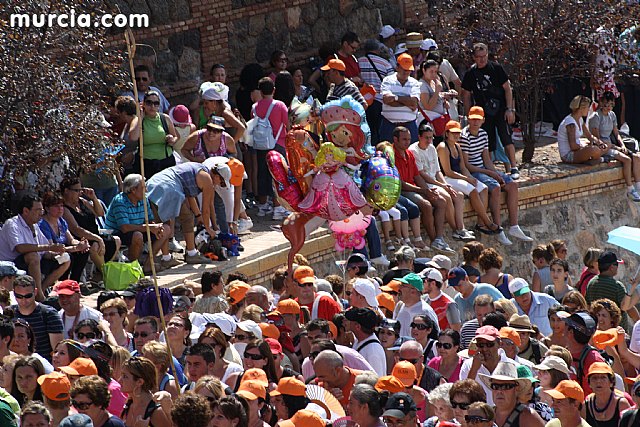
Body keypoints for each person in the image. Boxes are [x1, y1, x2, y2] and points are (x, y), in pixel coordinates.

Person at [460, 106, 532, 245]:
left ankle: (514, 226)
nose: (475, 122)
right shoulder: (464, 137)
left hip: (484, 169)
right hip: (474, 171)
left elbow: (486, 159)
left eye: (478, 119)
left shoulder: (483, 134)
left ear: (483, 120)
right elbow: (467, 165)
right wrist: (491, 174)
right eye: (473, 119)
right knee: (496, 187)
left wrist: (495, 173)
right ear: (468, 119)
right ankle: (498, 229)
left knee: (511, 184)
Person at [145, 161, 225, 265]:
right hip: (169, 187)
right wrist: (208, 228)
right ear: (217, 176)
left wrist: (198, 216)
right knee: (184, 219)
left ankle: (166, 258)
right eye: (222, 182)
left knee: (165, 224)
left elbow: (189, 196)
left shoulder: (196, 169)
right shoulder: (207, 179)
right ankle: (191, 254)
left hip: (154, 184)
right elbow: (206, 209)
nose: (220, 185)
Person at [461, 43, 519, 179]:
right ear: (474, 57)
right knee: (488, 141)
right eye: (478, 57)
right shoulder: (471, 73)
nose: (482, 59)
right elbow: (466, 95)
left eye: (484, 56)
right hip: (483, 112)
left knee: (506, 137)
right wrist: (469, 115)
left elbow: (507, 88)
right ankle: (490, 169)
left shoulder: (496, 68)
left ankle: (514, 167)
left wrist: (510, 109)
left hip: (500, 109)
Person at [410, 122, 475, 241]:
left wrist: (445, 184)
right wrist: (442, 185)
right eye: (426, 138)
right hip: (426, 183)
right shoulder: (414, 150)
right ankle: (456, 230)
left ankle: (461, 228)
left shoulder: (432, 148)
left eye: (431, 138)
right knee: (447, 197)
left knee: (459, 195)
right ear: (419, 137)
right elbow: (422, 174)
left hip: (435, 181)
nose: (429, 141)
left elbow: (437, 171)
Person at [393, 127, 454, 253]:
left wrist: (428, 191)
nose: (407, 142)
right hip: (402, 190)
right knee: (426, 205)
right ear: (395, 139)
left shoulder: (409, 154)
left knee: (441, 201)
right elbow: (401, 184)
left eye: (408, 139)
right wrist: (424, 191)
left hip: (414, 187)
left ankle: (439, 239)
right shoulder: (392, 155)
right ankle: (433, 239)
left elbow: (416, 176)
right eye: (404, 139)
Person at [437, 121, 502, 238]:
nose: (456, 135)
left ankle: (481, 223)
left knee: (483, 188)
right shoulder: (443, 147)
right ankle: (487, 221)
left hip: (459, 176)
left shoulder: (457, 146)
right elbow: (448, 171)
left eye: (458, 133)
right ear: (446, 134)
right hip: (447, 178)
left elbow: (463, 167)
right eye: (453, 133)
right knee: (473, 190)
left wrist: (471, 178)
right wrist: (466, 178)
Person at [0, 194, 70, 301]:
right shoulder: (12, 224)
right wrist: (49, 247)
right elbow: (20, 248)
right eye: (38, 210)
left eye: (42, 210)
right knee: (33, 256)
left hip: (33, 262)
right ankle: (39, 296)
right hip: (11, 264)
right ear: (26, 211)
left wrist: (57, 254)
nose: (41, 213)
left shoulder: (35, 225)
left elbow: (45, 251)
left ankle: (41, 290)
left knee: (65, 259)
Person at [61, 177, 121, 276]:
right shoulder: (64, 209)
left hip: (94, 235)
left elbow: (100, 213)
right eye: (76, 190)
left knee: (116, 240)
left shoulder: (82, 202)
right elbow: (76, 229)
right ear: (66, 191)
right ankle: (106, 274)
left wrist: (93, 198)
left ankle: (103, 269)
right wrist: (97, 239)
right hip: (82, 238)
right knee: (95, 246)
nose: (80, 193)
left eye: (81, 190)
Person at [589, 91, 640, 200]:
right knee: (627, 160)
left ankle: (638, 186)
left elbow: (616, 133)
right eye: (606, 104)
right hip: (603, 147)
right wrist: (614, 147)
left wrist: (622, 145)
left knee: (636, 157)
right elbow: (597, 139)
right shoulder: (596, 116)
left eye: (611, 105)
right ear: (601, 103)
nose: (608, 107)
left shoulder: (612, 115)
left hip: (612, 144)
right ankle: (630, 189)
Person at [252, 77, 290, 220]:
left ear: (260, 92)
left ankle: (262, 206)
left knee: (262, 173)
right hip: (278, 144)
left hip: (261, 145)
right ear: (274, 90)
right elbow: (287, 124)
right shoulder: (280, 105)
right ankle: (278, 207)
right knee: (278, 176)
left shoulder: (254, 107)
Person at [38, 192, 91, 283]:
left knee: (83, 252)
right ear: (47, 208)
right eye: (56, 206)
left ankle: (74, 282)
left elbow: (71, 240)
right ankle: (62, 283)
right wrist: (75, 248)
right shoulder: (43, 224)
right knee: (68, 256)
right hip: (50, 255)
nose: (60, 209)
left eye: (61, 206)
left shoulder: (61, 221)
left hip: (63, 249)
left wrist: (80, 244)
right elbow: (51, 248)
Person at [10, 275, 63, 362]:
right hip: (13, 363)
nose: (23, 300)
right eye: (19, 296)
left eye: (28, 296)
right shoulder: (9, 313)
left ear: (35, 292)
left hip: (42, 364)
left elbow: (57, 349)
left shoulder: (49, 314)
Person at [128, 90, 179, 179]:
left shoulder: (165, 118)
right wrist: (140, 117)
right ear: (143, 104)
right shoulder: (138, 120)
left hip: (166, 162)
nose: (152, 106)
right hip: (147, 164)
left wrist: (171, 140)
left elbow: (176, 137)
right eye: (149, 103)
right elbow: (133, 137)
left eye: (156, 103)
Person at [460, 325, 516, 405]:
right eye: (481, 345)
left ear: (499, 344)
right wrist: (474, 369)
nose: (485, 349)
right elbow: (463, 395)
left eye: (489, 344)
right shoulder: (468, 365)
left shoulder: (512, 366)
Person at [479, 361, 545, 427]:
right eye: (495, 386)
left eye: (506, 386)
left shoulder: (529, 417)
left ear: (516, 389)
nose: (499, 391)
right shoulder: (485, 416)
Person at [585, 251, 639, 332]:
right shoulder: (617, 286)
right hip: (616, 332)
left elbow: (588, 305)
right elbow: (628, 308)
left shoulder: (591, 283)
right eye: (617, 264)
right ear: (611, 267)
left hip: (597, 329)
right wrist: (638, 320)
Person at [358, 39, 395, 144]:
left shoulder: (358, 62)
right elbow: (392, 84)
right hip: (379, 101)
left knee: (365, 130)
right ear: (378, 50)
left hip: (362, 102)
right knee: (378, 131)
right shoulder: (385, 64)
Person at [379, 53, 421, 142]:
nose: (406, 72)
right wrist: (407, 101)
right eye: (404, 69)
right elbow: (386, 99)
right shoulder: (387, 80)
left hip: (409, 125)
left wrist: (395, 98)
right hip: (389, 125)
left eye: (408, 70)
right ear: (397, 67)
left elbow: (414, 102)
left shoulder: (415, 83)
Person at [119, 356, 171, 426]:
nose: (119, 380)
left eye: (125, 377)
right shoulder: (129, 405)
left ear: (139, 382)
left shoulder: (155, 412)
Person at [557, 95, 607, 164]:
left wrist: (600, 143)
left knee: (606, 145)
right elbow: (573, 146)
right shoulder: (570, 123)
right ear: (581, 108)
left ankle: (594, 159)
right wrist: (584, 146)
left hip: (577, 151)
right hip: (569, 155)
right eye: (587, 107)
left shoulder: (580, 119)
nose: (589, 110)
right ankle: (600, 159)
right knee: (594, 150)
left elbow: (589, 136)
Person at [562, 310, 603, 394]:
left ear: (570, 332)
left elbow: (599, 394)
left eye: (566, 324)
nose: (563, 327)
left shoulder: (594, 360)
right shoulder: (563, 353)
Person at [584, 362, 631, 427]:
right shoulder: (586, 405)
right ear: (589, 384)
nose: (598, 381)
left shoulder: (621, 404)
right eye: (594, 378)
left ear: (611, 383)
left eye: (603, 377)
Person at [394, 272, 439, 337]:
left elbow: (434, 336)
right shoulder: (400, 306)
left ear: (413, 291)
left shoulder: (425, 311)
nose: (399, 288)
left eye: (403, 285)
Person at [345, 307, 386, 376]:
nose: (347, 321)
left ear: (357, 327)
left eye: (350, 320)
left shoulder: (373, 351)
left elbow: (376, 379)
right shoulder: (359, 341)